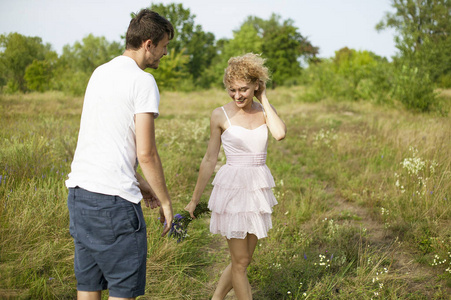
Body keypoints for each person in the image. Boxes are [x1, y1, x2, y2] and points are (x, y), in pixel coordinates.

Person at [65, 9, 174, 300]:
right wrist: (165, 202)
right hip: (113, 207)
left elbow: (107, 147)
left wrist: (143, 185)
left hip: (79, 196)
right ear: (148, 43)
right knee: (122, 292)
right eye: (164, 46)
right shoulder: (143, 81)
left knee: (88, 288)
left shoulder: (100, 73)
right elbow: (146, 152)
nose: (165, 53)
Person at [185, 53, 287, 300]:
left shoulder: (264, 111)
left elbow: (280, 134)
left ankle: (216, 298)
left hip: (257, 188)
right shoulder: (220, 115)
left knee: (244, 259)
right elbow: (210, 159)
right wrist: (194, 199)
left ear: (256, 84)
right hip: (232, 189)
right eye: (232, 90)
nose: (238, 95)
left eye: (244, 89)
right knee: (240, 262)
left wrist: (263, 98)